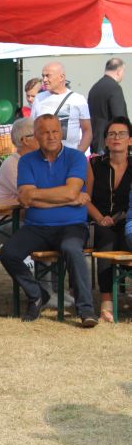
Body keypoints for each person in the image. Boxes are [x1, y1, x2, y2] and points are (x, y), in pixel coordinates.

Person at [0, 114, 98, 326]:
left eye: (54, 131)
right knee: (8, 253)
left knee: (72, 249)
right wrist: (67, 199)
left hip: (72, 226)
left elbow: (71, 191)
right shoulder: (26, 161)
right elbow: (26, 197)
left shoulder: (76, 157)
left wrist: (40, 196)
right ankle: (37, 294)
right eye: (44, 132)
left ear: (61, 133)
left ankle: (86, 310)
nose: (51, 136)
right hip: (37, 227)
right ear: (36, 136)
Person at [87, 117, 132, 322]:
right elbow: (85, 198)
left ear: (130, 140)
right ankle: (106, 302)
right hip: (98, 220)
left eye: (122, 134)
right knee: (106, 239)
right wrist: (100, 217)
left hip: (126, 221)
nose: (116, 138)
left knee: (126, 240)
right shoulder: (95, 164)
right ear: (105, 140)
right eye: (111, 134)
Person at [0, 118, 38, 243]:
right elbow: (32, 196)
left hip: (27, 218)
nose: (44, 138)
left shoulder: (38, 161)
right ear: (25, 140)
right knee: (40, 234)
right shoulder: (12, 163)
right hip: (4, 222)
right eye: (39, 134)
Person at [31, 62, 92, 152]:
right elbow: (32, 128)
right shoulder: (39, 98)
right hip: (44, 156)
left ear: (61, 77)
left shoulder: (78, 99)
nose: (44, 80)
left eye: (48, 76)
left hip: (70, 155)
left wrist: (78, 154)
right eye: (43, 76)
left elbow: (87, 131)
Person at [87, 58, 127, 154]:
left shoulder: (94, 88)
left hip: (95, 142)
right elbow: (119, 118)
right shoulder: (115, 88)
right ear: (119, 71)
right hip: (111, 143)